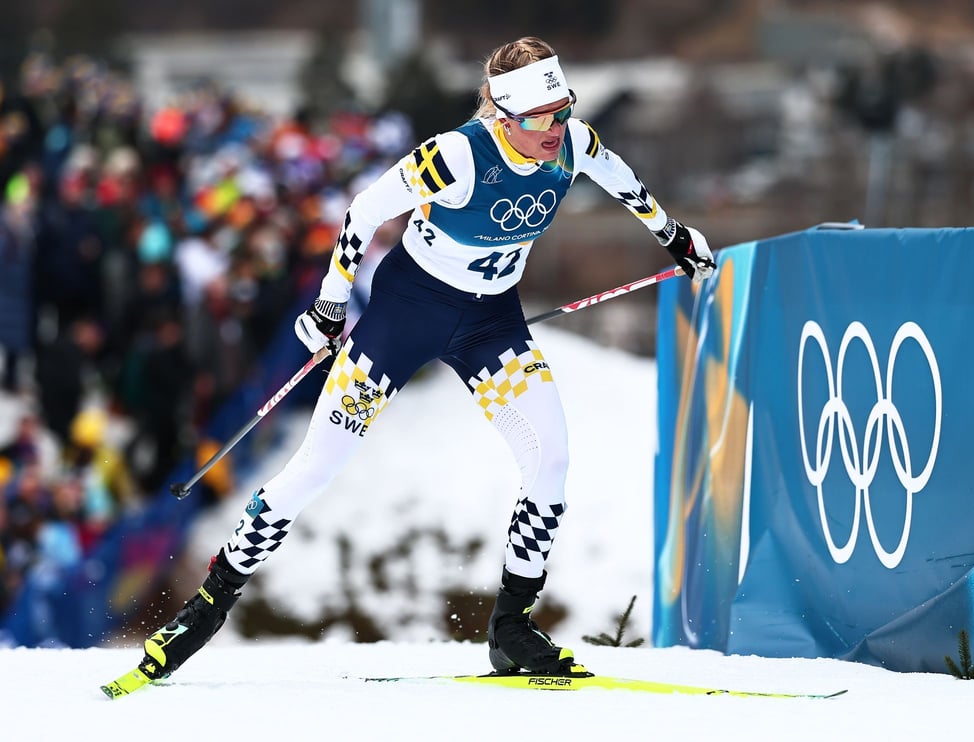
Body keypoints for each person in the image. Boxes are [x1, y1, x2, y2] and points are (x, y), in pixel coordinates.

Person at [133, 36, 716, 681]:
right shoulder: (458, 155)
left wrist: (673, 234)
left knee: (551, 458)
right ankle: (208, 606)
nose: (556, 128)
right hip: (403, 319)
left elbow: (623, 180)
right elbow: (362, 210)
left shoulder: (573, 143)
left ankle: (512, 629)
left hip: (489, 324)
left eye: (562, 108)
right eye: (540, 117)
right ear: (504, 116)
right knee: (319, 463)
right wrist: (331, 301)